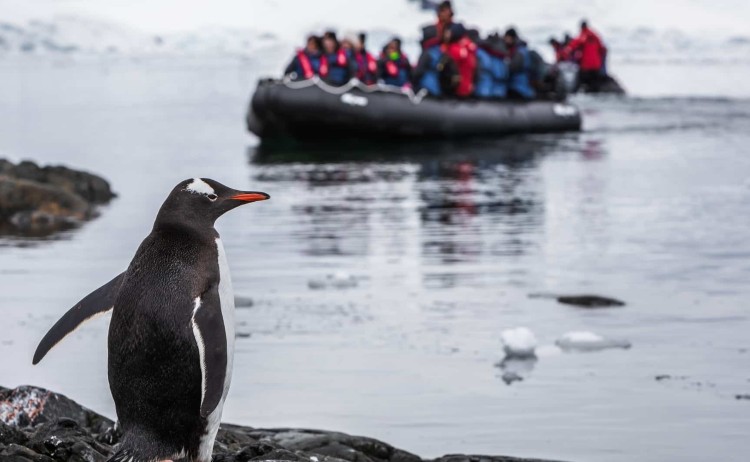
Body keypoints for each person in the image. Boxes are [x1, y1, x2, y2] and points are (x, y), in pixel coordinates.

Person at [413, 25, 458, 96]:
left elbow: (418, 72)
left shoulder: (427, 53)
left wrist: (411, 82)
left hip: (425, 88)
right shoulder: (440, 51)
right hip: (436, 88)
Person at [565, 20, 605, 91]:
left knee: (580, 79)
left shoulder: (583, 35)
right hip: (596, 64)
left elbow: (574, 44)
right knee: (594, 83)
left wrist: (567, 50)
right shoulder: (595, 35)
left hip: (586, 64)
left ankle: (575, 92)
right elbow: (602, 48)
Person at [442, 23, 477, 98]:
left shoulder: (455, 49)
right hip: (468, 86)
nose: (446, 35)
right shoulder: (468, 47)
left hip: (458, 89)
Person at [503, 28, 535, 99]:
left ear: (511, 37)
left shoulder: (518, 52)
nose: (505, 40)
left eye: (506, 38)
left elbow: (514, 67)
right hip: (523, 84)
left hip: (518, 86)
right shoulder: (522, 49)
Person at [474, 32, 508, 99]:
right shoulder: (499, 56)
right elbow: (499, 73)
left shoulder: (483, 52)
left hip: (486, 86)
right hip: (492, 86)